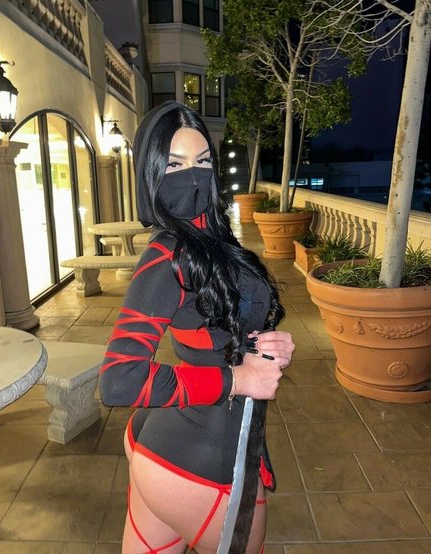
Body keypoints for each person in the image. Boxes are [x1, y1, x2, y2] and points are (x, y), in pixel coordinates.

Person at [99, 101, 295, 554]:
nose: (194, 175)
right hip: (204, 467)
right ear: (151, 172)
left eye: (203, 161)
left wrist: (260, 344)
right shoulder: (167, 254)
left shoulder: (211, 238)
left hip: (163, 451)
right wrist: (237, 379)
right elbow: (118, 379)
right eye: (174, 164)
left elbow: (212, 328)